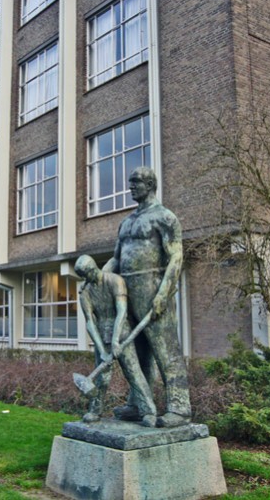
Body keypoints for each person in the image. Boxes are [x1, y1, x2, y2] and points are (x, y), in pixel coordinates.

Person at [103, 166, 192, 428]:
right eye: (130, 182)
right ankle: (138, 403)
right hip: (126, 289)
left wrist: (163, 293)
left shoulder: (165, 217)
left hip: (151, 286)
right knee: (136, 350)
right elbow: (116, 259)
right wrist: (98, 277)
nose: (130, 187)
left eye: (136, 182)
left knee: (165, 349)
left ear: (150, 184)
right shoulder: (126, 222)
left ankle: (180, 408)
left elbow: (176, 257)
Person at [74, 255, 157, 427]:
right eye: (83, 277)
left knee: (133, 372)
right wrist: (102, 350)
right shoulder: (85, 292)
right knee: (102, 378)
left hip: (122, 333)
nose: (85, 279)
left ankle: (149, 412)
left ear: (92, 269)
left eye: (86, 275)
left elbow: (122, 311)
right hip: (101, 337)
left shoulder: (115, 281)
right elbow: (90, 322)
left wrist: (116, 341)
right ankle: (95, 411)